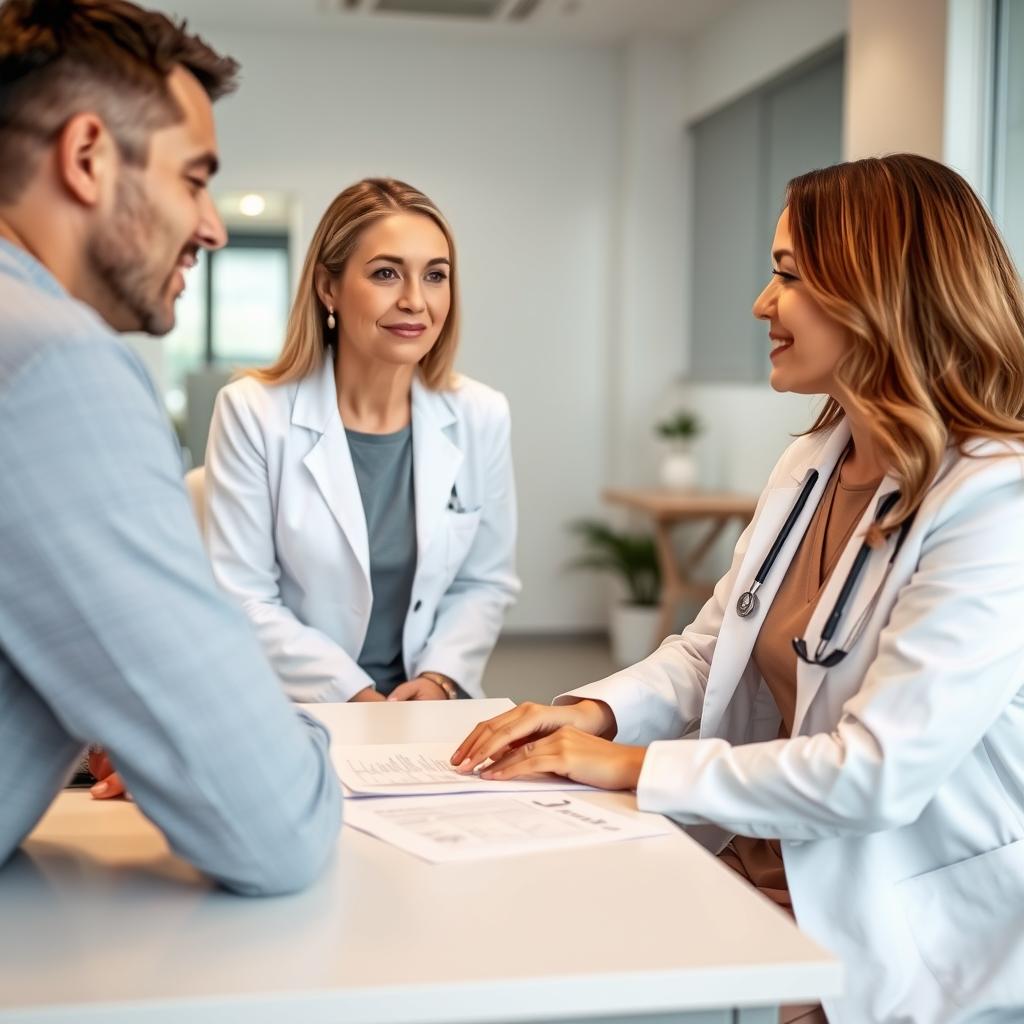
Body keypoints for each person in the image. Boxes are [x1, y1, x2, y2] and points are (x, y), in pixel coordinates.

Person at [452, 155, 1024, 1023]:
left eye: (788, 275)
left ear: (875, 293)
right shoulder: (812, 463)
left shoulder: (992, 501)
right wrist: (589, 717)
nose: (762, 302)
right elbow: (708, 649)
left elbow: (878, 775)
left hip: (899, 928)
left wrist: (637, 766)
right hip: (763, 871)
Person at [0, 0, 341, 895]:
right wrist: (264, 724)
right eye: (193, 179)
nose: (213, 226)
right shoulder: (54, 360)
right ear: (87, 158)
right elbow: (275, 823)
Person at [201, 178, 520, 704]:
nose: (416, 301)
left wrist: (440, 680)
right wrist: (352, 694)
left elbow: (484, 582)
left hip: (431, 712)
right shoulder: (253, 411)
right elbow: (243, 597)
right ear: (329, 288)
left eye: (435, 276)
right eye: (386, 273)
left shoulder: (481, 414)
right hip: (294, 707)